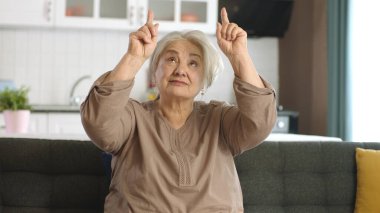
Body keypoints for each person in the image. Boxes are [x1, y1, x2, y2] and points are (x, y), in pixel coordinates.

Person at [81, 7, 277, 213]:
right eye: (171, 59)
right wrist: (134, 58)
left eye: (193, 63)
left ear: (204, 81)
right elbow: (98, 122)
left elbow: (260, 123)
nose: (181, 70)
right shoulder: (132, 118)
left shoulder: (221, 119)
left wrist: (240, 57)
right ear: (154, 74)